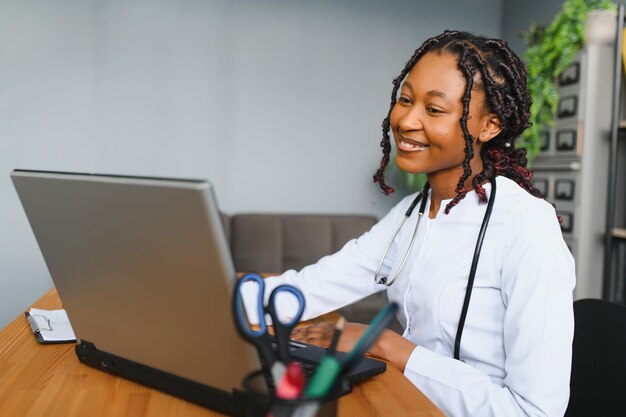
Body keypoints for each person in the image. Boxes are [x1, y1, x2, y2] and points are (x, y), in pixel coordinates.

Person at [242, 30, 575, 417]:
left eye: (434, 110)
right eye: (405, 100)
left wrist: (388, 346)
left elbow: (533, 412)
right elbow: (312, 287)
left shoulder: (527, 227)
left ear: (489, 127)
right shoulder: (410, 212)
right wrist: (216, 301)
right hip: (406, 402)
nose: (406, 121)